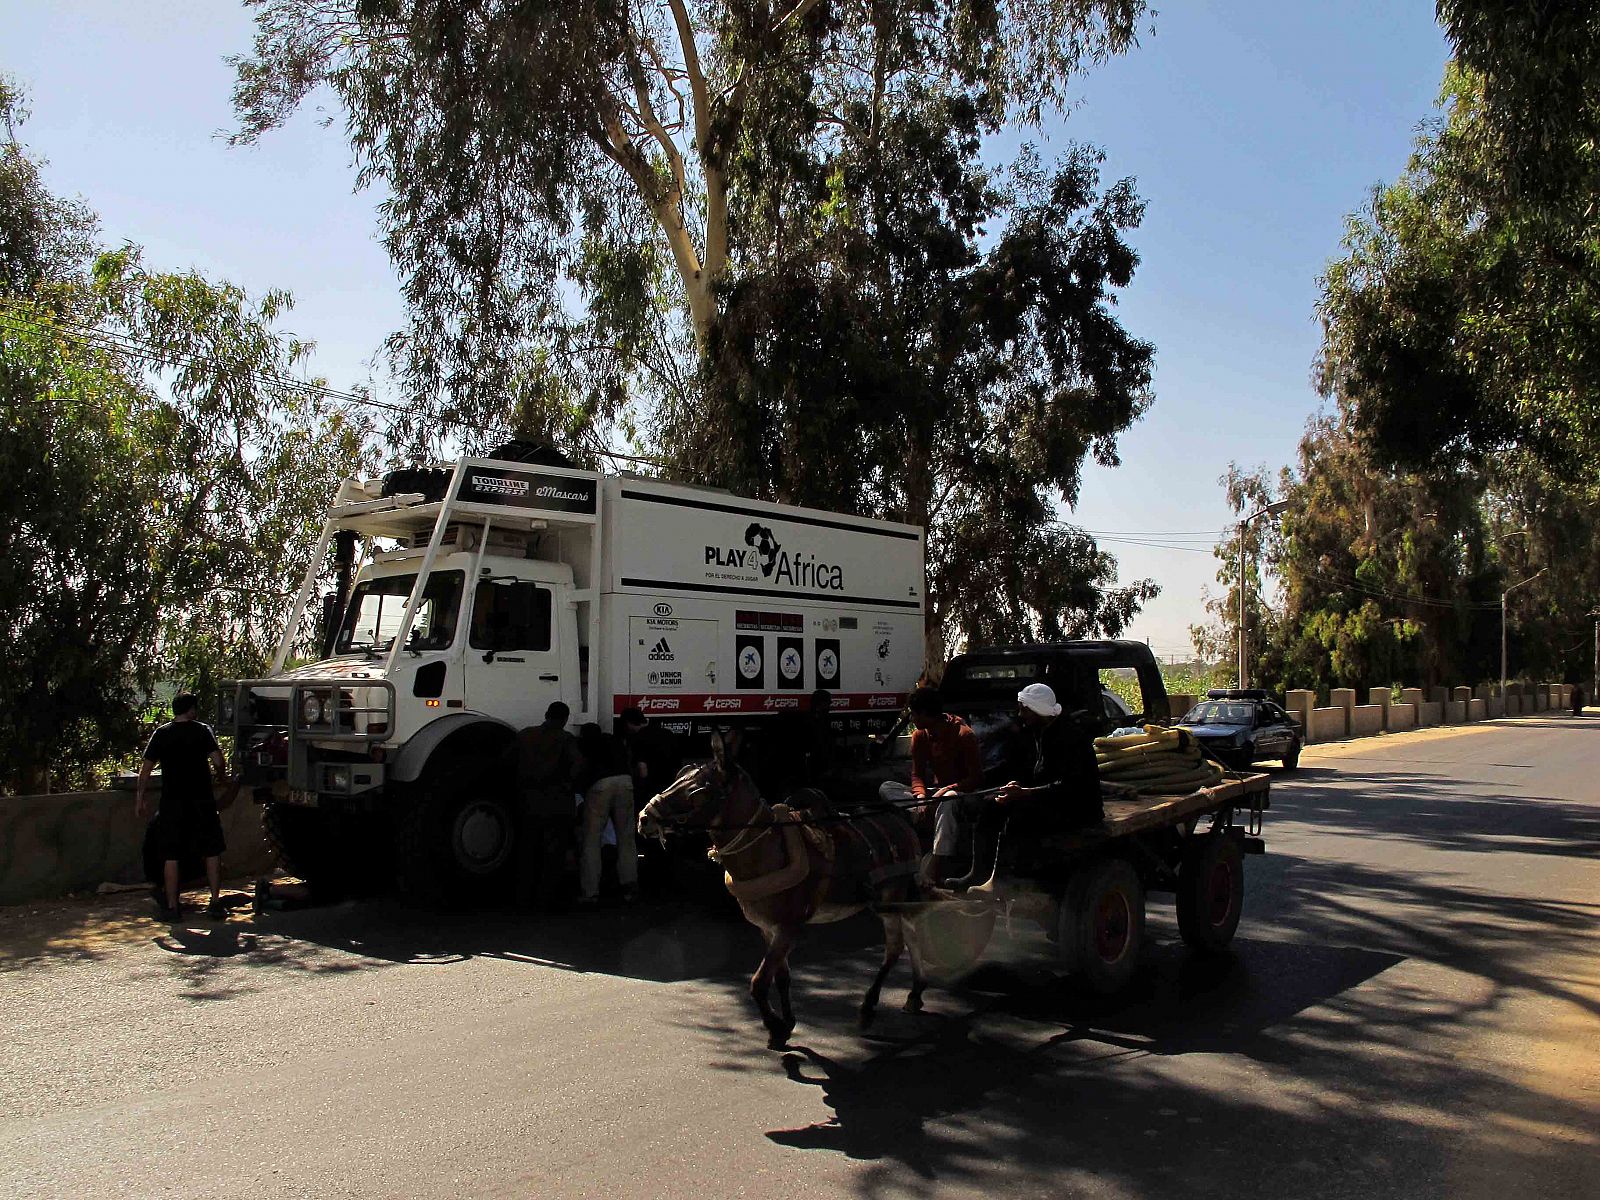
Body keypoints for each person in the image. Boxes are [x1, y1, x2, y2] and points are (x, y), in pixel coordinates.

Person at [951, 682, 1102, 894]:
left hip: (1077, 808)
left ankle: (1002, 881)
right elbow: (1031, 771)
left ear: (1038, 711)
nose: (1020, 715)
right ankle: (977, 874)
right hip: (1049, 799)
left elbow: (1069, 787)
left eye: (1025, 710)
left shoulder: (1070, 737)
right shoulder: (1038, 732)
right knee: (990, 808)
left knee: (1019, 816)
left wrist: (1025, 794)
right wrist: (1014, 786)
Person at [135, 693, 230, 920]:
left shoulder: (161, 734)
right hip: (202, 800)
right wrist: (222, 774)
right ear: (191, 710)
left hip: (172, 802)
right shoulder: (202, 730)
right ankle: (215, 902)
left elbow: (146, 769)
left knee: (171, 854)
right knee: (212, 850)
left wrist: (140, 798)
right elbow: (218, 760)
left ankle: (172, 906)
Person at [880, 687, 983, 885]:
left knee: (948, 799)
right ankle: (920, 814)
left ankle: (936, 864)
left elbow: (976, 779)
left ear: (926, 714)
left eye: (914, 713)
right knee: (887, 787)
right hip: (935, 794)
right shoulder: (920, 736)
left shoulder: (964, 734)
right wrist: (920, 797)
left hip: (961, 794)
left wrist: (946, 790)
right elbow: (917, 774)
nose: (912, 719)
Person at [499, 701, 582, 909]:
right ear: (565, 719)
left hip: (528, 802)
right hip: (557, 804)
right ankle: (546, 900)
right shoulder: (566, 739)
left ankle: (522, 899)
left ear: (546, 714)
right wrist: (567, 784)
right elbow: (579, 764)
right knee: (553, 854)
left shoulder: (525, 735)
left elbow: (505, 760)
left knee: (527, 851)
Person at [575, 722, 638, 906]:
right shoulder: (614, 741)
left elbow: (581, 768)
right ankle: (629, 887)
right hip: (625, 782)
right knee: (626, 838)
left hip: (599, 785)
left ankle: (590, 892)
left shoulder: (585, 744)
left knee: (591, 840)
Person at [619, 707, 682, 807]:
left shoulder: (638, 738)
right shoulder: (667, 733)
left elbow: (642, 769)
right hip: (671, 784)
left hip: (651, 789)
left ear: (628, 724)